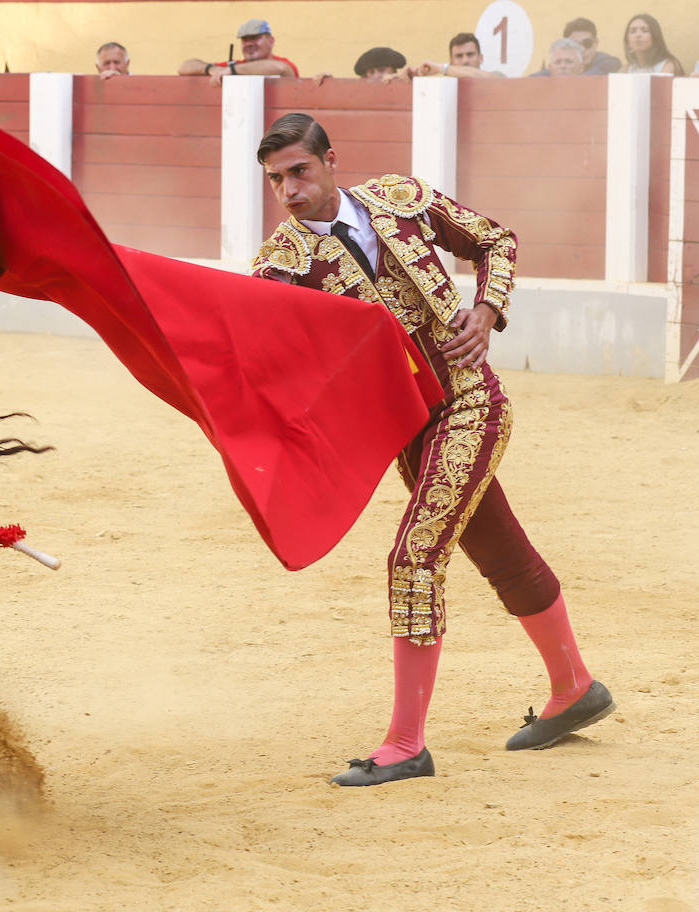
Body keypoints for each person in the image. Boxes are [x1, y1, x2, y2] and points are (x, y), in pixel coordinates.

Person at [250, 112, 615, 786]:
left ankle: (405, 744)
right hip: (406, 430)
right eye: (276, 181)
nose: (290, 191)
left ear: (331, 161)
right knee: (502, 550)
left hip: (470, 400)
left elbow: (494, 240)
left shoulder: (402, 198)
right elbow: (272, 354)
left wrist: (486, 311)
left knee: (413, 558)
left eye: (299, 172)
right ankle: (575, 689)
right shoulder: (280, 263)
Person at [178, 19, 299, 85]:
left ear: (271, 41)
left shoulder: (282, 64)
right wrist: (211, 69)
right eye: (245, 40)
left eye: (255, 38)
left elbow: (281, 68)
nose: (249, 44)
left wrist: (232, 70)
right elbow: (184, 67)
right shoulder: (236, 65)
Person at [531, 17, 621, 75]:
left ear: (596, 43)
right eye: (575, 45)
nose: (581, 49)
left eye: (587, 43)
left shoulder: (608, 63)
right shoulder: (560, 64)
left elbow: (581, 82)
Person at [408, 32, 504, 79]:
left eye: (470, 54)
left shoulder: (496, 76)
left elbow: (493, 79)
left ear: (481, 58)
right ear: (451, 61)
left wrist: (441, 68)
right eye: (459, 56)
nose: (465, 61)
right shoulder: (445, 88)